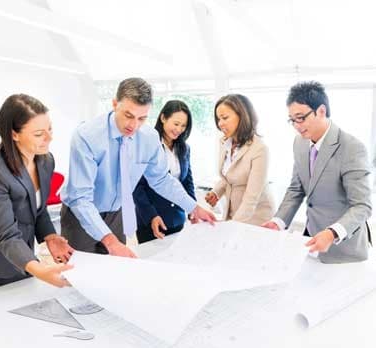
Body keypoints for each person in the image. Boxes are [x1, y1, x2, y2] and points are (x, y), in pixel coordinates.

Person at [61, 78, 215, 257]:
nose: (133, 125)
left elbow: (161, 180)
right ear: (114, 104)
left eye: (142, 118)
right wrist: (110, 241)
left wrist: (194, 208)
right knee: (81, 272)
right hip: (81, 213)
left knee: (117, 270)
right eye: (128, 115)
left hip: (116, 213)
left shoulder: (149, 138)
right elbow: (80, 197)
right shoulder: (86, 136)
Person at [0, 94, 74, 296]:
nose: (49, 138)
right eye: (39, 133)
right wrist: (40, 269)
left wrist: (50, 236)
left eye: (50, 129)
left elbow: (37, 210)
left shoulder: (45, 160)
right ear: (14, 134)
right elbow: (5, 234)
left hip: (20, 259)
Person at [262, 81, 372, 263]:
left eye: (301, 118)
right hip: (310, 241)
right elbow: (296, 189)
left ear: (321, 111)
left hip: (344, 249)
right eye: (292, 120)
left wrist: (332, 233)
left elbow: (362, 206)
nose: (296, 125)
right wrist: (278, 222)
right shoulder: (299, 143)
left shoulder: (352, 147)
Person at [133, 100, 197, 243]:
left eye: (183, 126)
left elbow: (187, 182)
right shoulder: (148, 144)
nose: (179, 129)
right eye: (176, 124)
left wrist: (193, 209)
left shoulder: (184, 148)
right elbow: (137, 186)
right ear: (163, 118)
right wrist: (151, 215)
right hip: (152, 219)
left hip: (177, 219)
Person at [205, 94, 275, 225]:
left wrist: (231, 226)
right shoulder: (225, 143)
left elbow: (251, 198)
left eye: (225, 118)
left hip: (257, 217)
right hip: (234, 213)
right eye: (218, 119)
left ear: (242, 116)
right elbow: (229, 176)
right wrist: (216, 192)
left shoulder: (259, 149)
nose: (220, 123)